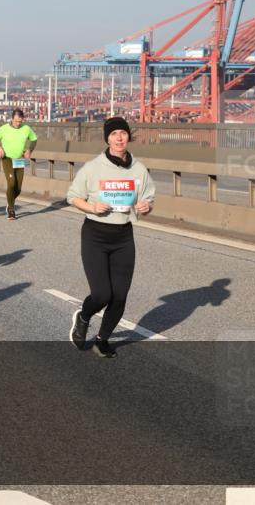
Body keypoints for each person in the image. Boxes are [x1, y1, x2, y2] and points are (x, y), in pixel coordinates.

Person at [66, 116, 155, 358]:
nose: (119, 138)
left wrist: (146, 207)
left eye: (123, 133)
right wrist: (92, 208)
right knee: (102, 294)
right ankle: (83, 317)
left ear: (128, 137)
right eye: (114, 134)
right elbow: (72, 196)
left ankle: (102, 339)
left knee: (120, 296)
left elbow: (147, 200)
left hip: (124, 237)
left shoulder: (138, 168)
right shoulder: (93, 168)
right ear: (107, 138)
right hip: (95, 235)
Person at [0, 108, 38, 220]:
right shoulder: (4, 128)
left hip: (19, 160)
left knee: (18, 188)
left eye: (20, 121)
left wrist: (29, 150)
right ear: (12, 118)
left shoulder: (26, 128)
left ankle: (9, 202)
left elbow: (34, 139)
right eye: (16, 121)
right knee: (11, 184)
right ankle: (11, 210)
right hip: (7, 158)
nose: (18, 123)